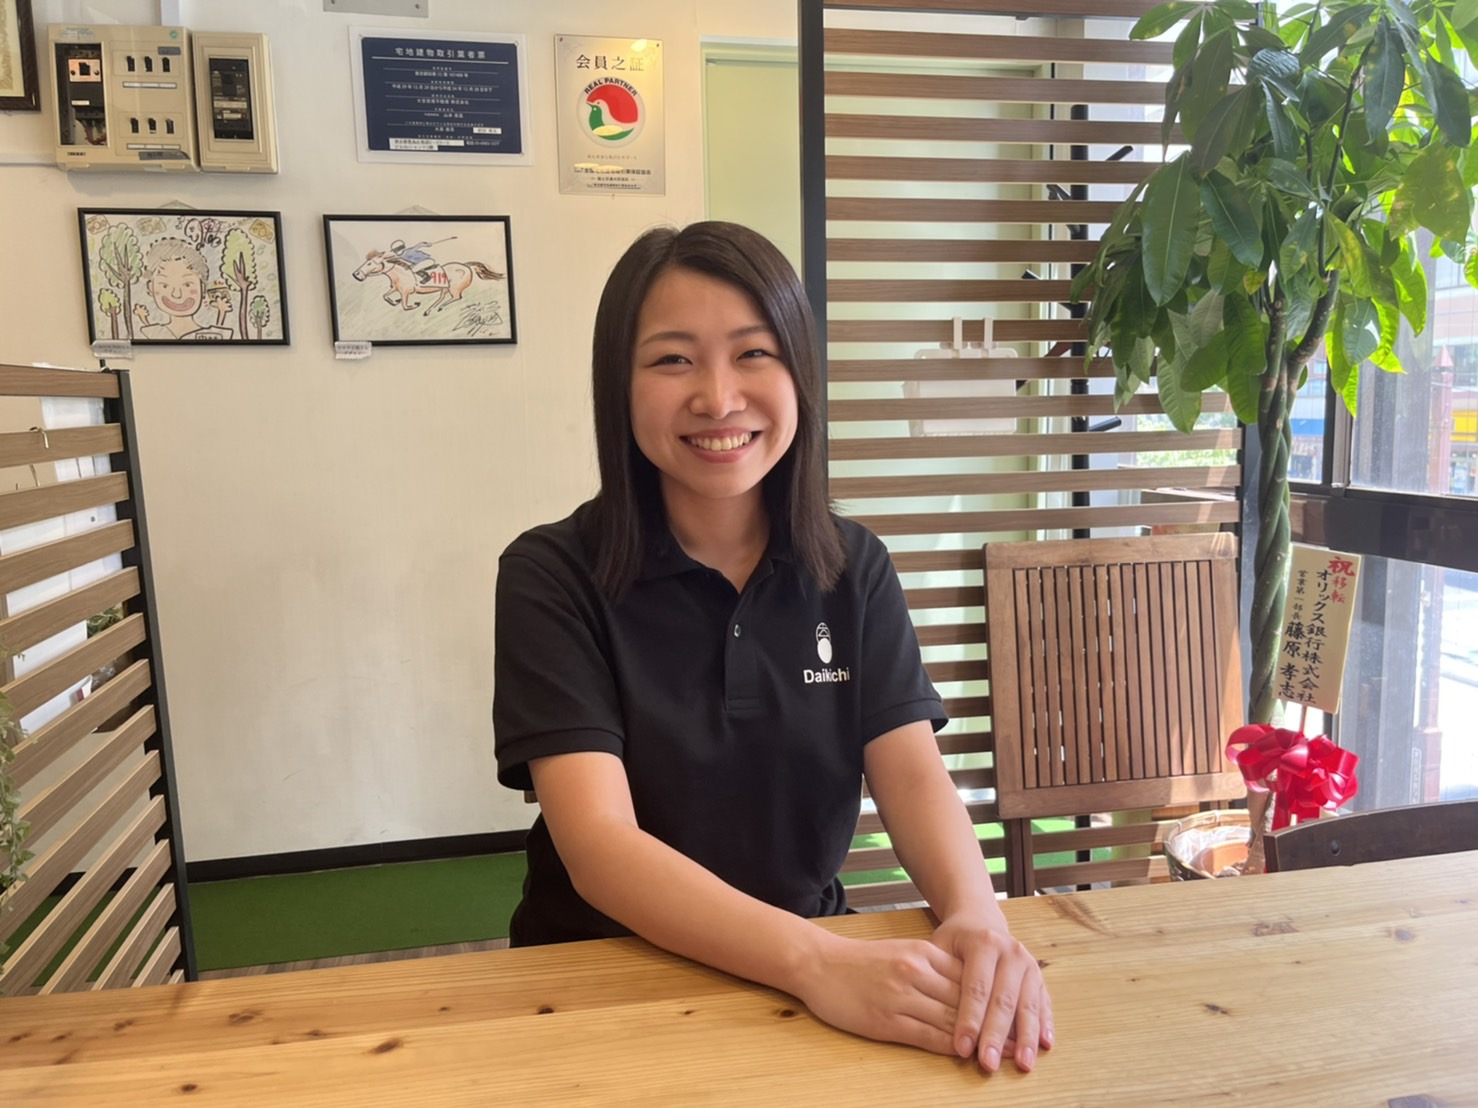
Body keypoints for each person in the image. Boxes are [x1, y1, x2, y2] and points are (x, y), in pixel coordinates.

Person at [493, 222, 1053, 1074]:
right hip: (603, 971)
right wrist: (817, 963)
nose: (719, 398)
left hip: (806, 965)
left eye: (753, 353)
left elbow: (910, 774)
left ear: (800, 373)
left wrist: (975, 914)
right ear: (619, 386)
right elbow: (600, 845)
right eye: (673, 359)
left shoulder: (854, 566)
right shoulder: (551, 574)